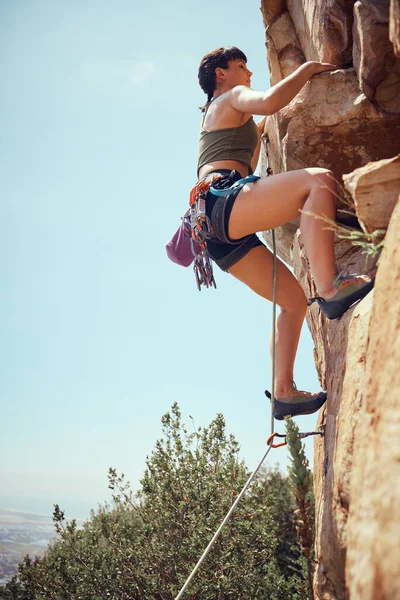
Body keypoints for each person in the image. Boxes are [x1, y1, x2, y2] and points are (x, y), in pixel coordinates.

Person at [193, 46, 375, 421]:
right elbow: (273, 100)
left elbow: (251, 145)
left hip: (211, 226)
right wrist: (306, 70)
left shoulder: (222, 119)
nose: (249, 73)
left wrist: (262, 133)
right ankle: (330, 288)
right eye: (241, 67)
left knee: (292, 301)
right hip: (223, 201)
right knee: (319, 182)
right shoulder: (231, 97)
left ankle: (284, 393)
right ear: (220, 75)